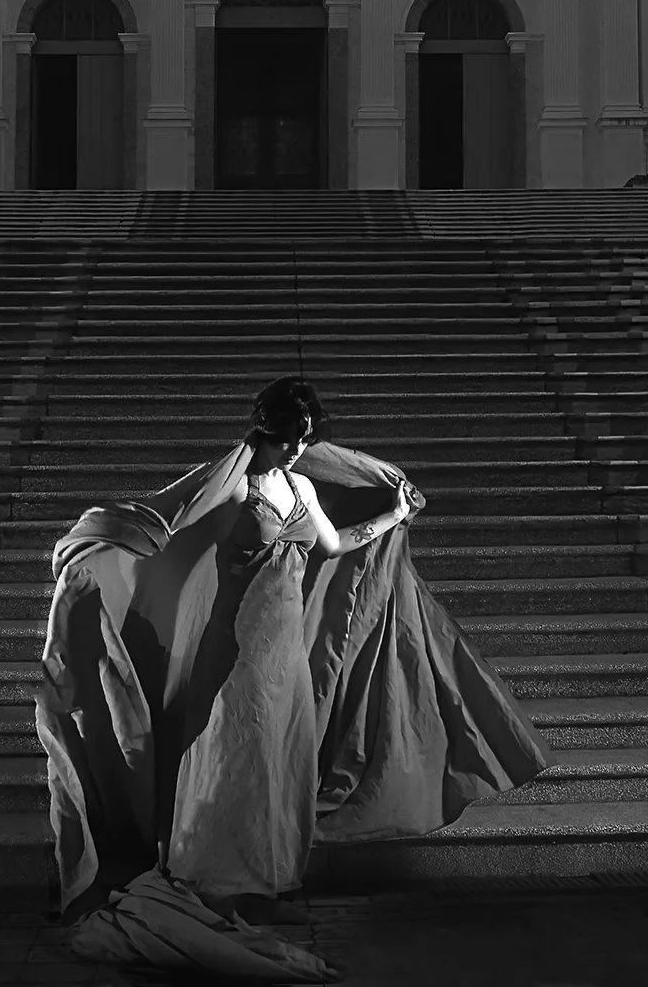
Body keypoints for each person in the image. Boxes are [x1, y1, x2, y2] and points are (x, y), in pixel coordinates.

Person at [38, 376, 547, 979]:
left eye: (304, 440)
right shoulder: (233, 485)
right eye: (288, 440)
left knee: (281, 758)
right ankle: (207, 878)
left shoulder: (300, 484)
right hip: (236, 648)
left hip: (285, 646)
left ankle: (263, 881)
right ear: (264, 430)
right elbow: (167, 526)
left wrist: (393, 513)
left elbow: (332, 545)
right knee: (230, 756)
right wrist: (97, 549)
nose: (297, 450)